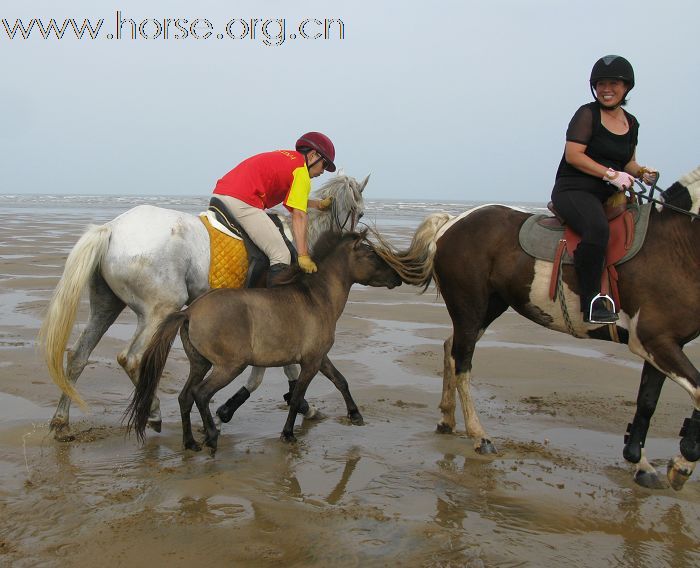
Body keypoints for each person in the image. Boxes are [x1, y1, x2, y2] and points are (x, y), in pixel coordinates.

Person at [551, 55, 657, 324]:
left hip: (608, 195)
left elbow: (628, 163)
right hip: (574, 190)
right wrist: (610, 174)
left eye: (613, 83)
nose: (606, 89)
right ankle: (592, 303)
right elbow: (574, 155)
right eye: (600, 84)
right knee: (597, 229)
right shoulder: (587, 114)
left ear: (626, 88)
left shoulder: (631, 123)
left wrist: (642, 172)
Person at [211, 132, 336, 286]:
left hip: (222, 194)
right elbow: (299, 215)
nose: (323, 171)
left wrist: (318, 205)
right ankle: (274, 307)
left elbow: (293, 200)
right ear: (312, 156)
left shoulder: (289, 159)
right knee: (281, 255)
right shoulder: (301, 172)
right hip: (244, 201)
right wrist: (303, 255)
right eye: (324, 164)